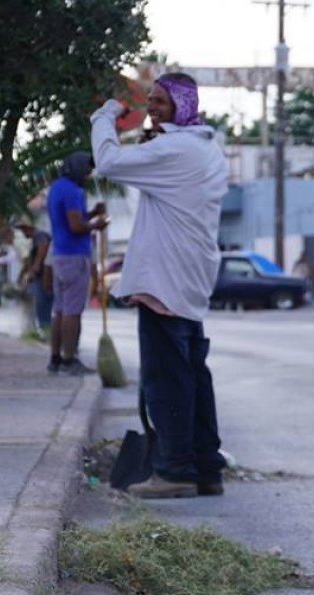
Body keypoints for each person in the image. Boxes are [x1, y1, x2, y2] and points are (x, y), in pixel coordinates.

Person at [90, 73, 228, 499]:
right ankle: (206, 469)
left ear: (182, 105)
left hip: (165, 283)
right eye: (150, 100)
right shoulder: (207, 149)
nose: (152, 107)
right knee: (192, 379)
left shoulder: (175, 150)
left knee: (165, 380)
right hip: (189, 281)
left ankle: (174, 470)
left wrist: (105, 115)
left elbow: (109, 162)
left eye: (161, 101)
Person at [46, 152, 108, 375]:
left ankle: (55, 359)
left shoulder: (56, 187)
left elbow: (71, 219)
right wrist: (96, 225)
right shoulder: (73, 191)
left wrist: (91, 214)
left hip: (60, 256)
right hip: (74, 256)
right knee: (72, 312)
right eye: (87, 170)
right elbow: (75, 226)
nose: (88, 174)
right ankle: (69, 360)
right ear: (77, 168)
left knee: (60, 310)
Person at [16, 222, 53, 337]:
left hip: (43, 276)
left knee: (42, 305)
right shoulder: (34, 240)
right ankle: (45, 330)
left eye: (23, 230)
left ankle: (47, 331)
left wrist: (36, 266)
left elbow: (43, 245)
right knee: (41, 305)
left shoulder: (39, 235)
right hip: (40, 276)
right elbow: (28, 260)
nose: (23, 233)